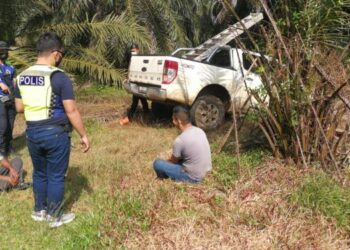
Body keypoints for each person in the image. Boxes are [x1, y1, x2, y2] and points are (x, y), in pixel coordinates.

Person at [14, 32, 90, 228]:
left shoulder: (21, 76)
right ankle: (55, 216)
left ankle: (39, 210)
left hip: (32, 133)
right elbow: (71, 110)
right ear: (56, 54)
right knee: (56, 175)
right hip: (55, 133)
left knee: (39, 173)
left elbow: (19, 108)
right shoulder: (59, 77)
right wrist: (83, 134)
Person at [153, 106, 212, 183]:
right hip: (206, 172)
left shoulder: (180, 140)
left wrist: (166, 161)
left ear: (178, 121)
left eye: (173, 119)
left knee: (158, 163)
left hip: (193, 178)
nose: (172, 122)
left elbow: (173, 161)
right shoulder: (199, 130)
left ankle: (163, 178)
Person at [119, 43, 149, 125]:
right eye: (132, 51)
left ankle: (128, 118)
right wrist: (127, 78)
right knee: (142, 100)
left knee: (136, 102)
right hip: (135, 82)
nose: (133, 52)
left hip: (141, 82)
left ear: (138, 50)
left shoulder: (142, 58)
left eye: (134, 51)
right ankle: (148, 117)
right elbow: (130, 69)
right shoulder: (131, 58)